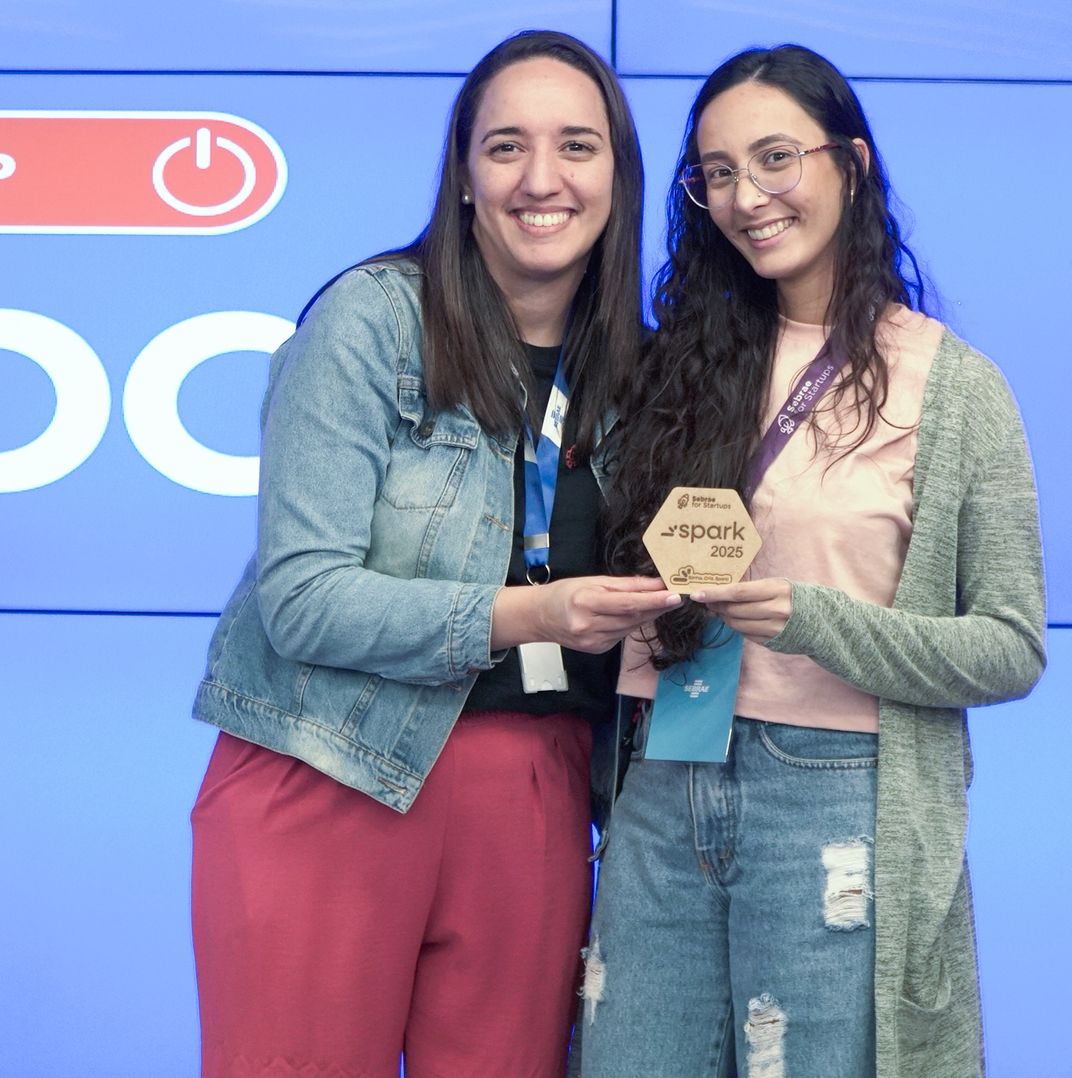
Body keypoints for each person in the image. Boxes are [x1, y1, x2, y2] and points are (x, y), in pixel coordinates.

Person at [188, 29, 674, 1078]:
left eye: (576, 146)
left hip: (535, 791)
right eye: (505, 147)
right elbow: (302, 599)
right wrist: (531, 614)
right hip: (331, 765)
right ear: (461, 175)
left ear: (618, 175)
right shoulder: (368, 321)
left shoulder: (644, 370)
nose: (540, 178)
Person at [581, 45, 1046, 1077]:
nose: (747, 197)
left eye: (775, 158)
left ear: (853, 164)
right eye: (716, 173)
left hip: (834, 794)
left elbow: (1010, 647)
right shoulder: (668, 364)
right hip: (663, 775)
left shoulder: (954, 387)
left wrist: (814, 618)